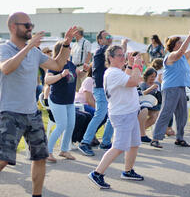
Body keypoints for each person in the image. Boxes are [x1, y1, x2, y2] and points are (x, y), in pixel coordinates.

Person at [0, 12, 77, 197]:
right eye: (26, 25)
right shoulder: (5, 49)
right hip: (10, 112)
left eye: (31, 25)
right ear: (12, 27)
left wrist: (66, 44)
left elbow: (58, 64)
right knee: (2, 160)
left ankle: (37, 195)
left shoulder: (34, 52)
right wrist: (29, 48)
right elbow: (7, 68)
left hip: (32, 113)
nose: (30, 28)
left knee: (40, 157)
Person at [88, 45, 144, 189]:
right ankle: (97, 173)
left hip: (129, 112)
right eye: (119, 55)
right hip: (123, 114)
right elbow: (133, 81)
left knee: (134, 144)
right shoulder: (113, 73)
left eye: (123, 54)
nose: (123, 57)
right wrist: (137, 65)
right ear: (110, 58)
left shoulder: (116, 72)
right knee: (118, 147)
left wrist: (131, 65)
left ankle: (128, 171)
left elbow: (126, 79)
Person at [150, 27, 190, 148]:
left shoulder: (183, 57)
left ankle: (180, 138)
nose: (182, 43)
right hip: (171, 88)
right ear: (174, 45)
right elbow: (180, 51)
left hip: (181, 87)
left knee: (182, 115)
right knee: (166, 112)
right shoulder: (170, 56)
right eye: (179, 42)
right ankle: (155, 138)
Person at [45, 41, 87, 162]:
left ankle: (64, 150)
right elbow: (48, 80)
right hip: (57, 100)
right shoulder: (54, 64)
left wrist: (84, 71)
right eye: (68, 48)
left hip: (69, 100)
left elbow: (77, 75)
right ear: (61, 51)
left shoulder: (70, 64)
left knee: (70, 126)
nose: (70, 50)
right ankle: (48, 151)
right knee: (61, 125)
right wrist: (61, 75)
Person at [78, 30, 114, 156]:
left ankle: (105, 142)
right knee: (100, 114)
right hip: (99, 87)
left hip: (108, 88)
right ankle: (84, 142)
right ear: (100, 41)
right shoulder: (102, 50)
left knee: (112, 115)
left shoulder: (107, 52)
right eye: (107, 37)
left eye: (111, 36)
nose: (110, 38)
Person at [151, 58, 175, 136]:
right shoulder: (162, 72)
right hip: (162, 93)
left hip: (155, 95)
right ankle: (168, 128)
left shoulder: (153, 72)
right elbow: (162, 81)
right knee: (169, 109)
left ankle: (167, 128)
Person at [139, 67, 161, 142]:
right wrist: (151, 88)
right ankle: (140, 133)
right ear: (147, 76)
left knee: (155, 117)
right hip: (145, 104)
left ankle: (139, 132)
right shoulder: (143, 84)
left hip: (154, 104)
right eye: (152, 76)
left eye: (154, 77)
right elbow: (141, 94)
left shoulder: (157, 83)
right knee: (153, 115)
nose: (153, 78)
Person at [71, 26, 92, 90]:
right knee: (76, 87)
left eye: (74, 32)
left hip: (82, 66)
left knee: (84, 86)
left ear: (77, 33)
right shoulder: (74, 44)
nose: (72, 33)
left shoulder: (86, 42)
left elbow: (89, 54)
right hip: (75, 67)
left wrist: (85, 66)